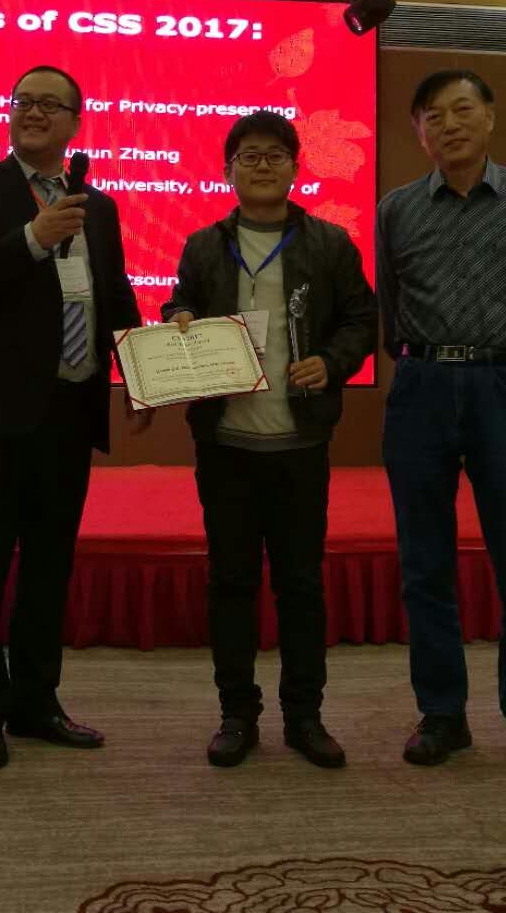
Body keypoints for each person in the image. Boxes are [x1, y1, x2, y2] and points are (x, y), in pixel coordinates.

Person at [0, 64, 143, 770]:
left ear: (75, 123)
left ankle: (35, 702)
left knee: (50, 569)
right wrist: (31, 237)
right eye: (24, 100)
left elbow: (113, 294)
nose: (33, 112)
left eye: (50, 104)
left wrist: (140, 373)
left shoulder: (99, 207)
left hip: (70, 411)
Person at [159, 109, 377, 768]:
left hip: (299, 445)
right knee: (230, 582)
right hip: (226, 444)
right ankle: (237, 715)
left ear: (294, 167)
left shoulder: (329, 243)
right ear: (227, 170)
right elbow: (177, 303)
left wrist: (331, 362)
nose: (261, 166)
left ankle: (305, 718)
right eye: (248, 156)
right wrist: (179, 317)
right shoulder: (204, 245)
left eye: (274, 155)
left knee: (301, 586)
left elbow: (362, 319)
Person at [374, 69, 506, 779]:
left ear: (490, 117)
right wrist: (423, 361)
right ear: (419, 132)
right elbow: (390, 306)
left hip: (502, 385)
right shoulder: (396, 208)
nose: (448, 125)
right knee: (424, 565)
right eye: (433, 116)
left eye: (462, 110)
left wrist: (503, 357)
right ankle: (442, 715)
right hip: (420, 387)